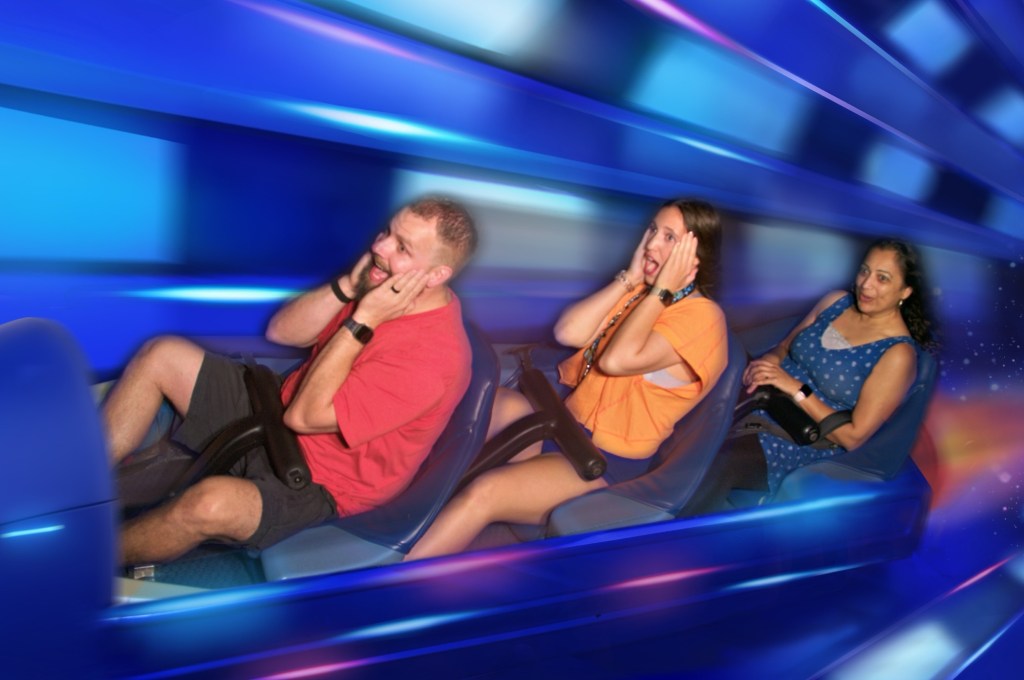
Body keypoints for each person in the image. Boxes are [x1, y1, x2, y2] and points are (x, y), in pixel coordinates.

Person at [105, 196, 478, 565]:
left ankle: (86, 565)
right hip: (275, 404)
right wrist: (349, 284)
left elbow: (303, 419)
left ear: (435, 275)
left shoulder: (434, 359)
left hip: (327, 481)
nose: (378, 246)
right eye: (386, 232)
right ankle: (78, 489)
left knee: (208, 504)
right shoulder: (383, 286)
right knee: (161, 354)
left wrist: (362, 321)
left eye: (401, 247)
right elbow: (282, 332)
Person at [406, 198, 729, 560]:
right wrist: (631, 279)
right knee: (487, 403)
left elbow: (619, 359)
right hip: (563, 426)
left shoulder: (703, 319)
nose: (652, 243)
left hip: (602, 462)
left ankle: (386, 584)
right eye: (652, 230)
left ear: (694, 254)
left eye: (670, 238)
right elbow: (568, 331)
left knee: (487, 492)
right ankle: (399, 504)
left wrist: (658, 291)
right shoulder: (639, 293)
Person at [683, 237, 938, 511]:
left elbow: (853, 437)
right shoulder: (836, 302)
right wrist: (765, 366)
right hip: (762, 398)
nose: (866, 284)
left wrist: (796, 389)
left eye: (883, 278)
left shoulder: (898, 354)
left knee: (720, 462)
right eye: (865, 271)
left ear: (906, 291)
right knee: (688, 406)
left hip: (797, 438)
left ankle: (668, 545)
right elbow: (783, 348)